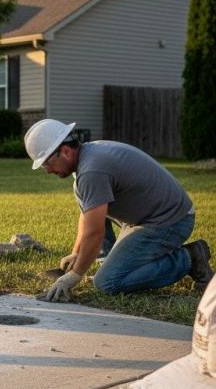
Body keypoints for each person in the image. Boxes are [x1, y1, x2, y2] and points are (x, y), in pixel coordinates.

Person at [24, 119, 213, 302]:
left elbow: (95, 233)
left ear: (65, 151)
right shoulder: (88, 155)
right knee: (95, 208)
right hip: (149, 214)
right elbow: (87, 212)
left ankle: (189, 258)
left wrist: (74, 275)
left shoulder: (92, 171)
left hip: (171, 221)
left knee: (107, 283)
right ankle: (108, 261)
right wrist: (76, 253)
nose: (47, 170)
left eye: (47, 164)